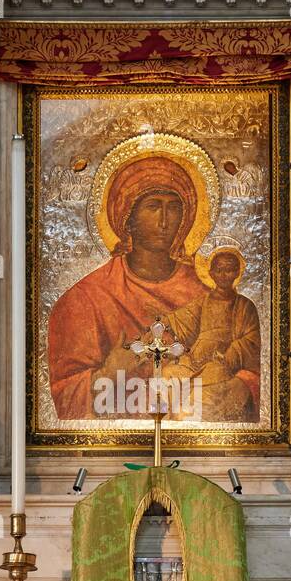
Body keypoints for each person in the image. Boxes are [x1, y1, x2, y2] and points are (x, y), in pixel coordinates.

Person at [48, 156, 210, 420]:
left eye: (174, 207)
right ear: (127, 217)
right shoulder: (87, 298)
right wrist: (108, 373)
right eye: (153, 206)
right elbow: (63, 393)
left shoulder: (205, 293)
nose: (164, 221)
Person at [163, 247, 261, 423]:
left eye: (229, 270)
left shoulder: (245, 306)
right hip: (195, 361)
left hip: (220, 364)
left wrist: (230, 354)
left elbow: (251, 340)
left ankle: (183, 423)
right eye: (219, 270)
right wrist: (164, 322)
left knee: (196, 393)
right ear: (211, 273)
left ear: (237, 273)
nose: (224, 275)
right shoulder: (204, 302)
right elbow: (181, 321)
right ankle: (169, 427)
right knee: (168, 373)